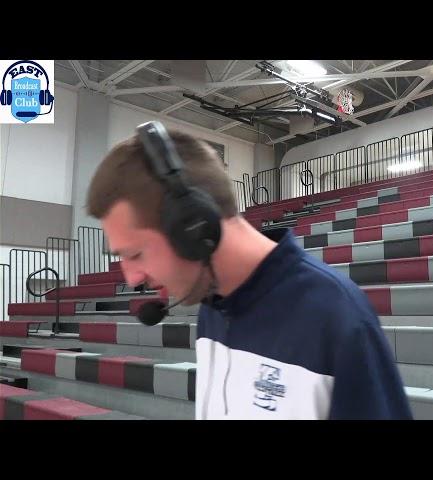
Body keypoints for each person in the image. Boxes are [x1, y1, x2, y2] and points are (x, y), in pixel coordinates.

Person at [86, 121, 412, 420]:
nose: (132, 278)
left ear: (192, 227)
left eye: (135, 253)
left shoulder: (336, 316)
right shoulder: (211, 309)